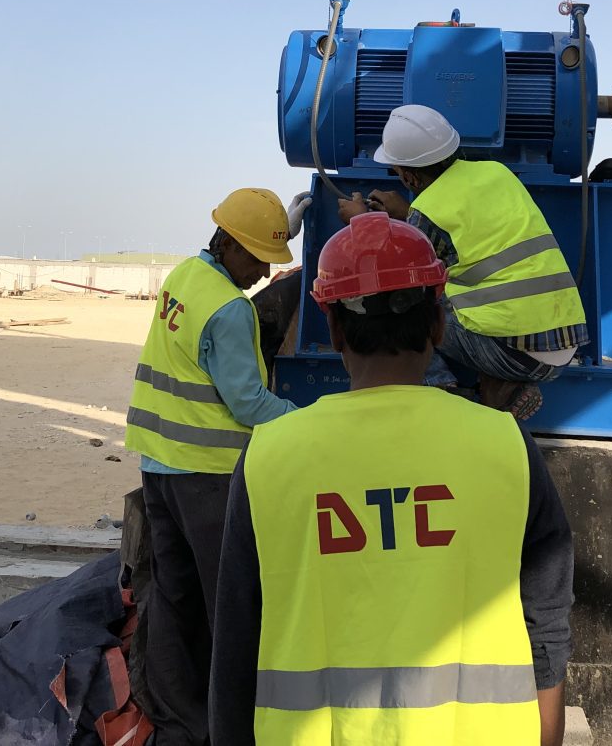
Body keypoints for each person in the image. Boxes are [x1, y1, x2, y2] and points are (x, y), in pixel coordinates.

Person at [210, 211, 575, 746]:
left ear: (334, 329)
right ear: (438, 326)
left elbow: (236, 642)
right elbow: (547, 620)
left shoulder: (270, 457)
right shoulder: (507, 447)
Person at [125, 187, 309, 746]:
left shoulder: (186, 275)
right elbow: (250, 404)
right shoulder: (230, 310)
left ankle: (181, 720)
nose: (263, 274)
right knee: (227, 604)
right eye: (257, 258)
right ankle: (231, 724)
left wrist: (279, 230)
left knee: (174, 595)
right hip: (207, 474)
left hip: (158, 463)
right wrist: (310, 420)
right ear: (228, 244)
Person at [337, 104, 587, 419]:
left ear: (410, 176)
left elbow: (392, 271)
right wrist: (409, 215)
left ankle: (441, 387)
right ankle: (503, 387)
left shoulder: (427, 212)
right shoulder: (497, 173)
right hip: (565, 343)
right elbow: (470, 228)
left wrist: (363, 221)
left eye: (398, 172)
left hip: (512, 354)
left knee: (403, 306)